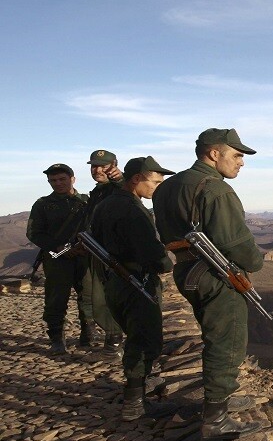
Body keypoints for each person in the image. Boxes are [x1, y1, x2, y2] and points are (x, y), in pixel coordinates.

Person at [153, 128, 263, 441]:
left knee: (213, 336)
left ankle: (214, 404)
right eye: (237, 154)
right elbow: (236, 244)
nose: (241, 162)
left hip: (185, 272)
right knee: (226, 342)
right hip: (216, 276)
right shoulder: (216, 190)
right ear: (214, 153)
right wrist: (256, 263)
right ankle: (216, 419)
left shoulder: (166, 188)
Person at [90, 156, 176, 420]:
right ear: (137, 179)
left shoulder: (104, 206)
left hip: (115, 281)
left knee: (135, 335)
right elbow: (151, 252)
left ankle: (138, 388)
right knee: (145, 340)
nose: (157, 188)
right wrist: (166, 264)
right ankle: (134, 403)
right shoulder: (133, 209)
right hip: (137, 281)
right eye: (155, 182)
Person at [26, 164, 92, 354]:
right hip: (57, 257)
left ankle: (88, 335)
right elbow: (34, 232)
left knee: (88, 296)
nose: (58, 183)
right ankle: (56, 338)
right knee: (56, 298)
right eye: (53, 180)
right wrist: (57, 246)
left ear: (73, 179)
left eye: (62, 179)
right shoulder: (43, 204)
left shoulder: (87, 202)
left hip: (85, 255)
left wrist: (83, 246)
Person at [84, 149, 126, 353]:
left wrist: (119, 178)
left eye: (104, 166)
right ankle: (112, 338)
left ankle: (115, 341)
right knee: (98, 298)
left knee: (108, 298)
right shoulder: (99, 191)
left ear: (114, 166)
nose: (98, 170)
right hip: (96, 252)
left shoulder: (118, 187)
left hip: (112, 253)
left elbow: (125, 188)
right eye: (94, 166)